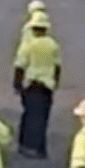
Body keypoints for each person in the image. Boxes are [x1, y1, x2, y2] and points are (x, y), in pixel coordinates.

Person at [13, 11, 62, 157]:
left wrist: (17, 84)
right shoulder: (52, 44)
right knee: (43, 117)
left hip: (31, 84)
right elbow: (57, 66)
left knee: (30, 115)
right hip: (47, 85)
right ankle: (41, 147)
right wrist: (56, 83)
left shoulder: (28, 44)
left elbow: (20, 66)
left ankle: (27, 145)